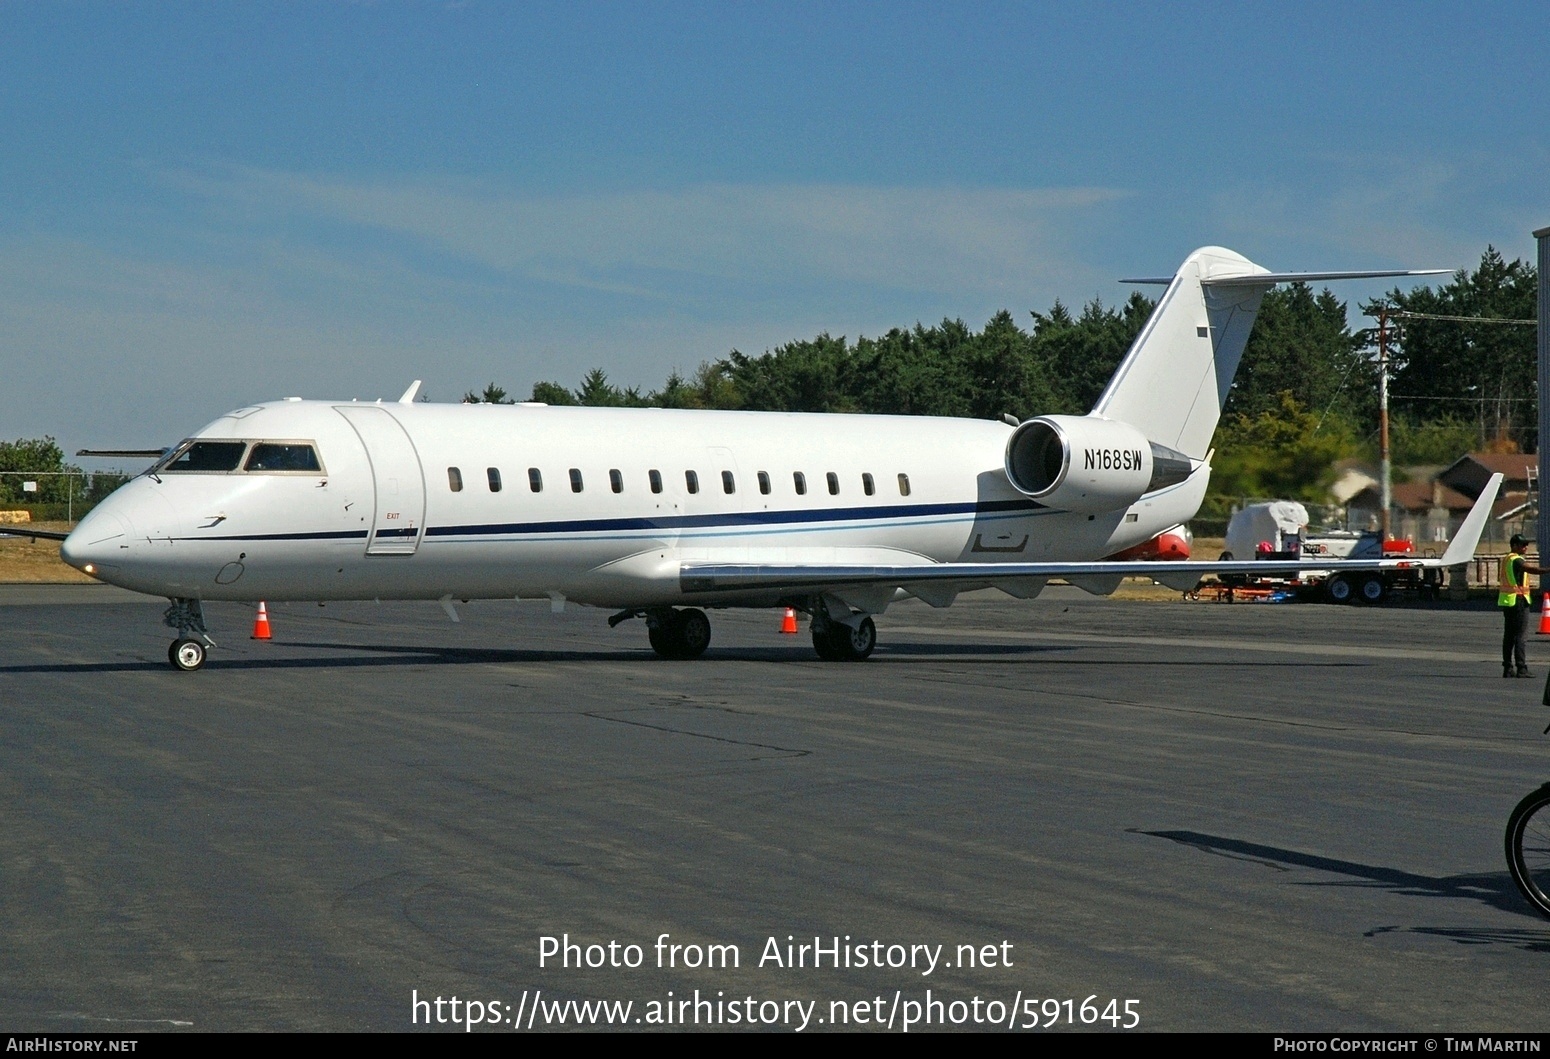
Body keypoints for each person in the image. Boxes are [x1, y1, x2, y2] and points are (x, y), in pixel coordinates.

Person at [1500, 534, 1546, 678]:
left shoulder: (1507, 559)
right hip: (1519, 601)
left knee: (1509, 636)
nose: (1525, 547)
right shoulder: (1516, 560)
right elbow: (1532, 570)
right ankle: (1521, 667)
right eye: (1522, 545)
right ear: (1514, 546)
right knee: (1520, 636)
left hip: (1509, 601)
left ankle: (1507, 667)